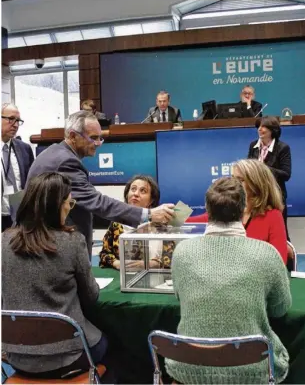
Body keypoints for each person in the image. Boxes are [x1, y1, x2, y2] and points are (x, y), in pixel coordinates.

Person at [168, 177, 291, 384]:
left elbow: (179, 296)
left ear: (208, 209)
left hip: (189, 370)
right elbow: (280, 309)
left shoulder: (181, 252)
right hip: (254, 371)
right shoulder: (267, 254)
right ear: (243, 209)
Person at [2, 172, 113, 382]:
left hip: (16, 356)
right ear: (56, 205)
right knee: (114, 344)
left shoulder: (3, 241)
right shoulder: (72, 242)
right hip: (69, 356)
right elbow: (91, 296)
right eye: (69, 203)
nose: (69, 209)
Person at [27, 110, 175, 258]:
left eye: (100, 138)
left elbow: (86, 205)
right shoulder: (66, 162)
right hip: (51, 249)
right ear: (73, 136)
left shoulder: (56, 153)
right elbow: (96, 202)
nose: (98, 143)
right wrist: (148, 214)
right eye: (93, 138)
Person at [186, 159, 288, 265]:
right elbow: (188, 223)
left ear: (256, 184)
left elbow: (279, 261)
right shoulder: (225, 208)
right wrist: (171, 212)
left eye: (240, 180)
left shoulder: (273, 216)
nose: (234, 184)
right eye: (233, 178)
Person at [99, 175, 175, 270]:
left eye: (143, 191)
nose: (136, 194)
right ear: (127, 195)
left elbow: (175, 257)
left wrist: (152, 264)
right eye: (133, 189)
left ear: (151, 200)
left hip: (157, 279)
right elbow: (104, 253)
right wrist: (117, 263)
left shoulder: (162, 223)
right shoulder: (117, 223)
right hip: (125, 279)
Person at [247, 116, 291, 239]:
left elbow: (286, 174)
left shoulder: (282, 148)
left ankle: (286, 258)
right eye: (258, 127)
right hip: (256, 197)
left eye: (264, 127)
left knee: (281, 234)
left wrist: (263, 169)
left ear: (273, 130)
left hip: (275, 197)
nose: (260, 129)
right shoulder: (253, 146)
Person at [1, 103, 34, 232]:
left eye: (18, 121)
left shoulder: (24, 149)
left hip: (20, 218)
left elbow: (31, 182)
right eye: (11, 119)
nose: (15, 124)